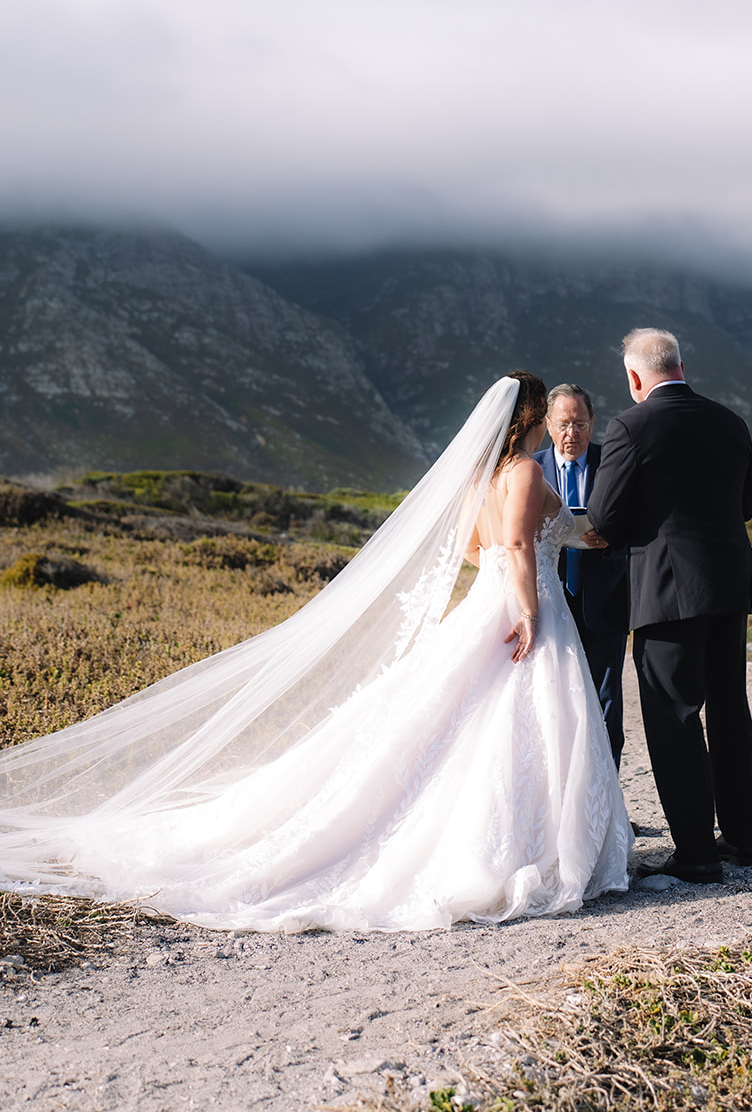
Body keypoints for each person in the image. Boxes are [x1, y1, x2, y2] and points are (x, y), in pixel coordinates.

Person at [0, 373, 631, 931]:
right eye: (548, 410)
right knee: (525, 720)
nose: (557, 422)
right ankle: (532, 846)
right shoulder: (522, 471)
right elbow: (520, 548)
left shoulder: (482, 480)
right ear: (530, 418)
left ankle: (527, 837)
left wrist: (541, 553)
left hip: (494, 600)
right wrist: (525, 607)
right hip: (525, 609)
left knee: (476, 721)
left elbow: (480, 547)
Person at [586, 328, 752, 885]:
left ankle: (696, 853)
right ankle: (739, 839)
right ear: (681, 366)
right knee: (730, 707)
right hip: (730, 585)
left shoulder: (630, 426)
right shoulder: (731, 422)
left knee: (674, 714)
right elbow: (747, 506)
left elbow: (606, 519)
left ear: (636, 378)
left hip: (665, 589)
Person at [533, 384, 629, 768]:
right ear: (548, 425)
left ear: (593, 423)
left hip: (605, 598)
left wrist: (613, 536)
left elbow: (635, 522)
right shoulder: (531, 467)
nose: (572, 434)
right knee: (551, 699)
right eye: (563, 424)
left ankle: (607, 809)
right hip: (550, 599)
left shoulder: (614, 463)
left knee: (606, 701)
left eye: (581, 424)